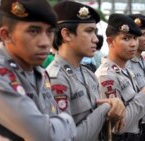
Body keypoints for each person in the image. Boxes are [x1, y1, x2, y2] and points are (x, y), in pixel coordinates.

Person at [0, 0, 76, 141]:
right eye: (33, 31)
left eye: (49, 32)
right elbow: (45, 135)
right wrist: (68, 121)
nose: (45, 42)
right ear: (6, 35)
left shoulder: (38, 71)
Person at [47, 1, 125, 141]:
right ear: (67, 34)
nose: (96, 39)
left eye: (95, 32)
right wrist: (106, 108)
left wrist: (114, 111)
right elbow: (66, 137)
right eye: (89, 31)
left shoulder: (88, 73)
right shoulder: (55, 78)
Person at [95, 13, 145, 141]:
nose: (133, 44)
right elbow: (117, 126)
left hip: (138, 132)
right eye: (126, 38)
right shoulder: (107, 76)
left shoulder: (125, 70)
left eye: (135, 38)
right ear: (110, 42)